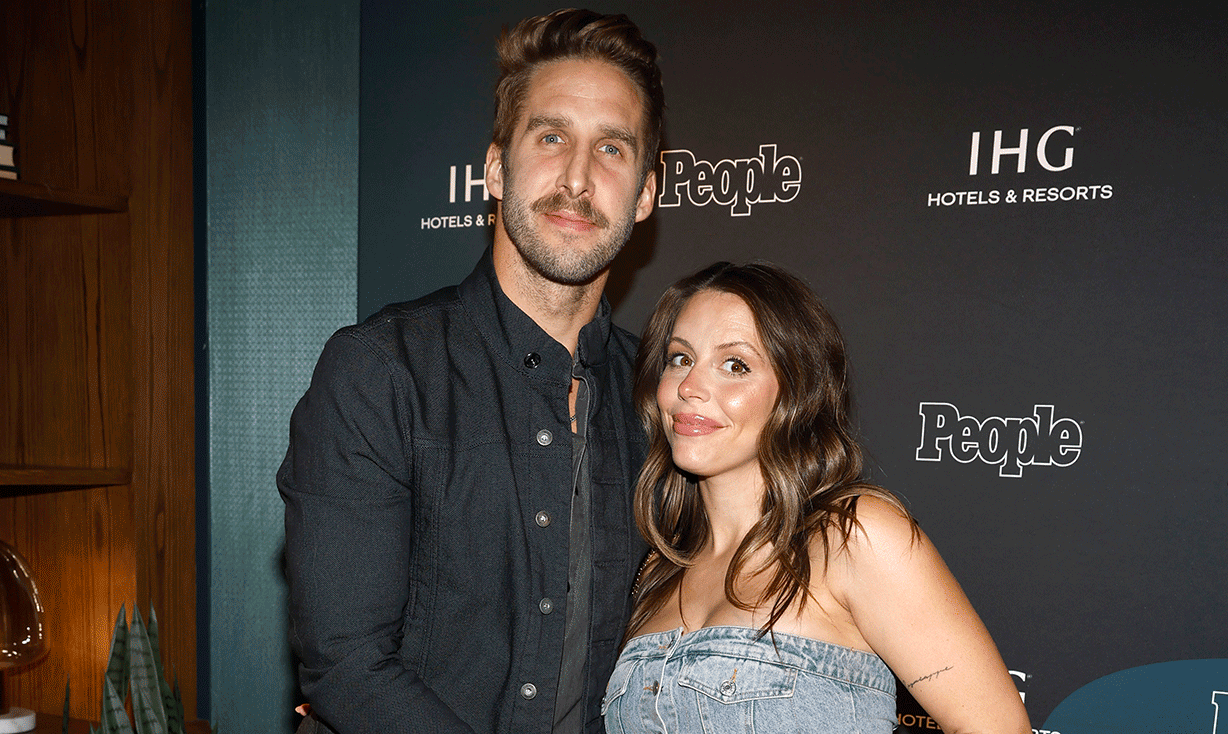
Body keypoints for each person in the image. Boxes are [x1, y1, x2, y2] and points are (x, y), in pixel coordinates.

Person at [278, 9, 663, 734]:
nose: (578, 178)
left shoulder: (662, 395)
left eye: (612, 149)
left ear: (645, 192)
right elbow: (348, 665)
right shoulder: (381, 373)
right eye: (551, 137)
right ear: (494, 168)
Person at [603, 262, 1031, 733]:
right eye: (680, 358)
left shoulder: (852, 537)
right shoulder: (656, 566)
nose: (689, 387)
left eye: (735, 365)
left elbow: (995, 726)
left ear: (796, 391)